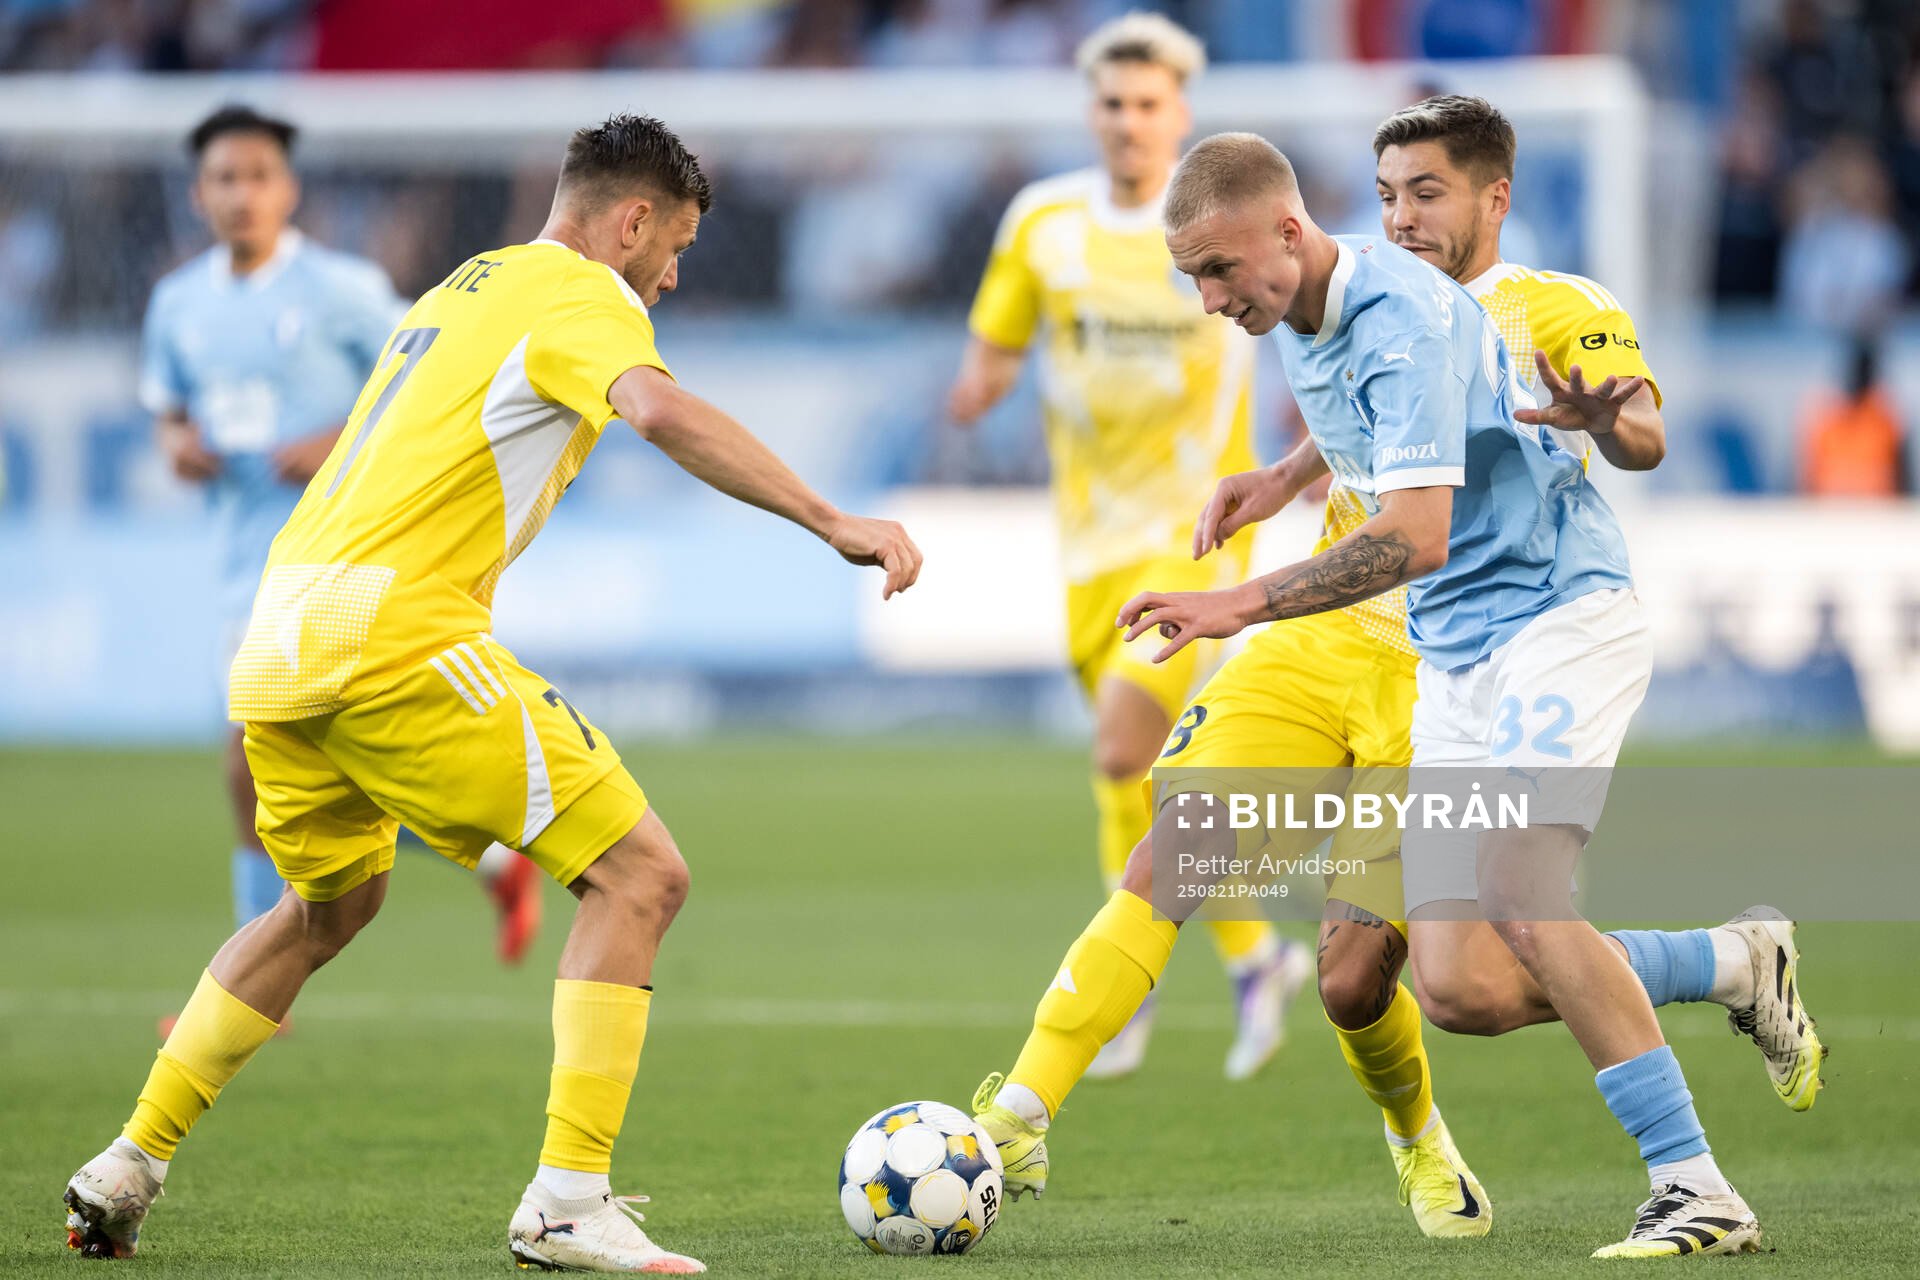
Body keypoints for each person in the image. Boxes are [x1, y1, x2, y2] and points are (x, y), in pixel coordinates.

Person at [65, 113, 922, 1274]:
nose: (671, 276)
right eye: (672, 247)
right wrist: (835, 517)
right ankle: (569, 1197)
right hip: (397, 633)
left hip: (282, 631)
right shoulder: (584, 296)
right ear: (628, 222)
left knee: (324, 910)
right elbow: (661, 410)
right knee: (641, 873)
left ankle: (129, 1160)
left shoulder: (459, 289)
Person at [971, 131, 1791, 1259]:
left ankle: (1701, 1111)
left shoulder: (1520, 305)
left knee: (1453, 930)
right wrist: (1284, 476)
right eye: (1389, 195)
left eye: (1427, 192)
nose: (1402, 216)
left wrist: (1240, 597)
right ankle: (1015, 1118)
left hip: (1494, 633)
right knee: (1290, 902)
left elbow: (1533, 467)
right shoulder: (1323, 290)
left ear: (1492, 198)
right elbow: (1372, 411)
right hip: (1370, 644)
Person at [946, 11, 1307, 1083]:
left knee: (1118, 748)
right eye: (1112, 103)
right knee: (1138, 772)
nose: (1129, 122)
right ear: (1091, 111)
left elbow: (1309, 310)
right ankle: (1254, 953)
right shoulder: (1043, 222)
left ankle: (1130, 981)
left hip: (1199, 537)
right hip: (1087, 543)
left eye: (1150, 104)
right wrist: (976, 389)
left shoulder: (1229, 224)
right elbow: (992, 347)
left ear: (1181, 115)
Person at [140, 105, 545, 969]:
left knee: (253, 761)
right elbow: (169, 413)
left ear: (288, 189)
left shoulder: (342, 291)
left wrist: (335, 440)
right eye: (224, 178)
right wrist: (179, 446)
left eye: (258, 176)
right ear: (198, 193)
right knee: (339, 765)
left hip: (348, 560)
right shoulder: (177, 306)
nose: (242, 194)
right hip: (243, 564)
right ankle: (498, 861)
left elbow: (432, 370)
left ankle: (250, 973)